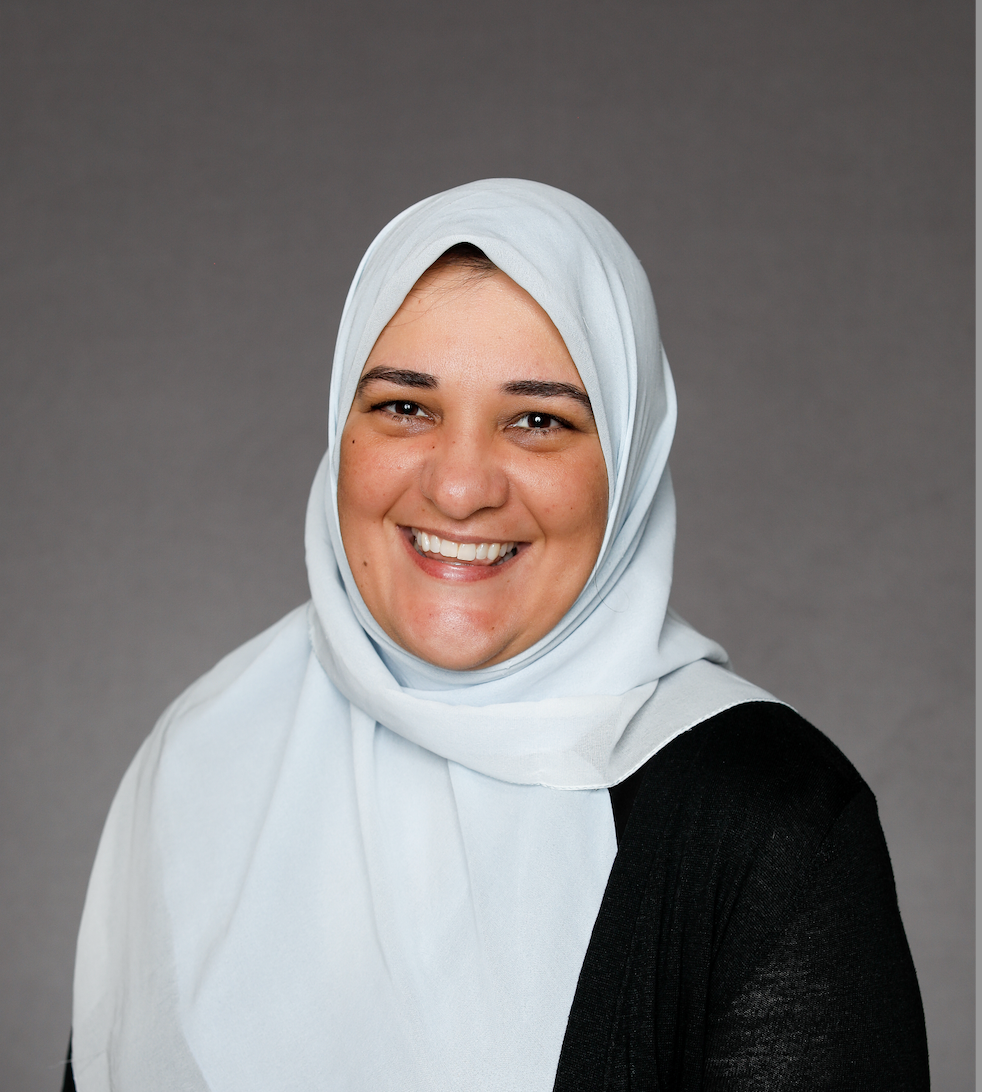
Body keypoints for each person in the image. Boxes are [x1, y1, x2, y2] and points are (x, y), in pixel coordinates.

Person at [65, 179, 929, 1091]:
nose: (458, 488)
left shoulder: (775, 824)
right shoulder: (200, 755)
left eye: (538, 421)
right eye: (405, 407)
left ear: (628, 461)